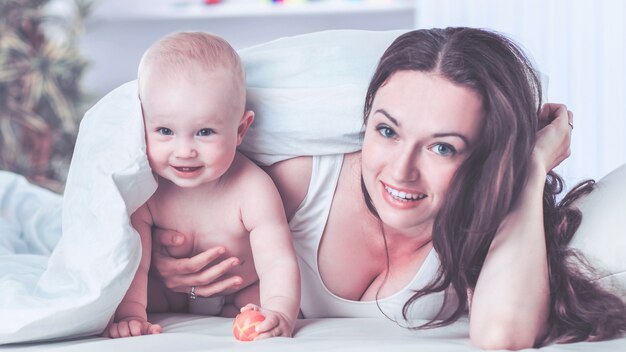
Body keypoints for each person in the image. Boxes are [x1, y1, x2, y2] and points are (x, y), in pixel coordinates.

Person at [151, 28, 626, 349]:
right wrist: (186, 285)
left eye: (442, 148)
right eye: (387, 131)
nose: (401, 172)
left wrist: (529, 166)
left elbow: (503, 335)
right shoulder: (296, 186)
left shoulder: (483, 224)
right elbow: (180, 253)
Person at [104, 32, 300, 339]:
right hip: (170, 295)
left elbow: (277, 261)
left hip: (242, 292)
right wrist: (131, 313)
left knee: (262, 309)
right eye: (165, 130)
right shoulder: (147, 191)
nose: (184, 150)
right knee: (126, 296)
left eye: (205, 132)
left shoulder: (252, 189)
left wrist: (281, 311)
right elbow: (136, 266)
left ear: (240, 130)